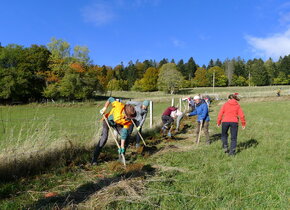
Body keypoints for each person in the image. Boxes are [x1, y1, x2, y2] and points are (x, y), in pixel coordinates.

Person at [91, 97, 136, 165]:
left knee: (126, 137)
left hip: (117, 124)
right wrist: (105, 108)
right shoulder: (119, 105)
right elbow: (110, 99)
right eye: (128, 117)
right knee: (104, 138)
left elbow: (124, 132)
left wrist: (122, 146)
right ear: (125, 112)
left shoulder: (128, 120)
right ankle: (94, 159)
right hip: (107, 121)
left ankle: (121, 158)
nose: (129, 119)